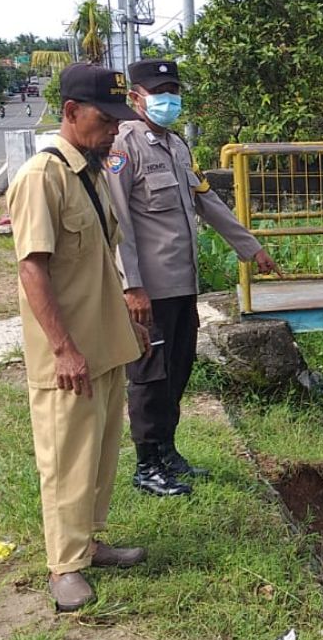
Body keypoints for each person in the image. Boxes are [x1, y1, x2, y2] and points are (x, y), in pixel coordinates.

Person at [6, 63, 152, 612]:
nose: (114, 128)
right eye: (104, 118)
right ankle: (64, 566)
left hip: (105, 343)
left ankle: (89, 541)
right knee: (66, 458)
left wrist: (128, 312)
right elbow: (33, 269)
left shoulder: (91, 173)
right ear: (70, 113)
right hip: (68, 353)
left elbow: (98, 258)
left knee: (100, 454)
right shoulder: (41, 177)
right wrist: (63, 347)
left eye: (119, 118)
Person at [106, 59, 279, 497]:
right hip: (150, 290)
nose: (169, 100)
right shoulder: (125, 147)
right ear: (136, 97)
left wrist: (251, 247)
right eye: (159, 91)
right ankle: (147, 467)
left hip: (183, 284)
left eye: (173, 90)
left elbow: (208, 203)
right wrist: (131, 286)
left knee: (178, 369)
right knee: (150, 376)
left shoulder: (177, 146)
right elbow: (119, 224)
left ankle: (168, 452)